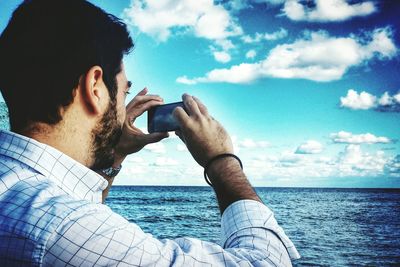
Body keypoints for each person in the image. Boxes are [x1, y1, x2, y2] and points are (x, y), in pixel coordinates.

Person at [0, 0, 300, 266]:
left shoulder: (19, 190)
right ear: (95, 87)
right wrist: (221, 160)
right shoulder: (62, 227)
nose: (123, 107)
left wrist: (114, 153)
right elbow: (266, 262)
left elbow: (75, 203)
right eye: (123, 90)